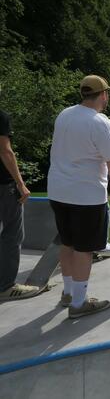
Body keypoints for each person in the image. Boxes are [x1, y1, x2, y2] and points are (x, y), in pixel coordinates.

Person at [48, 75, 110, 318]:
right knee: (84, 250)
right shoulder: (100, 123)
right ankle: (79, 303)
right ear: (104, 95)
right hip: (86, 195)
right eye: (107, 95)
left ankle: (67, 293)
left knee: (68, 243)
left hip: (57, 191)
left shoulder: (64, 114)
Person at [0, 97, 39, 301]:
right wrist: (20, 183)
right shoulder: (1, 116)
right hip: (3, 186)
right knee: (12, 234)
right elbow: (5, 151)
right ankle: (6, 286)